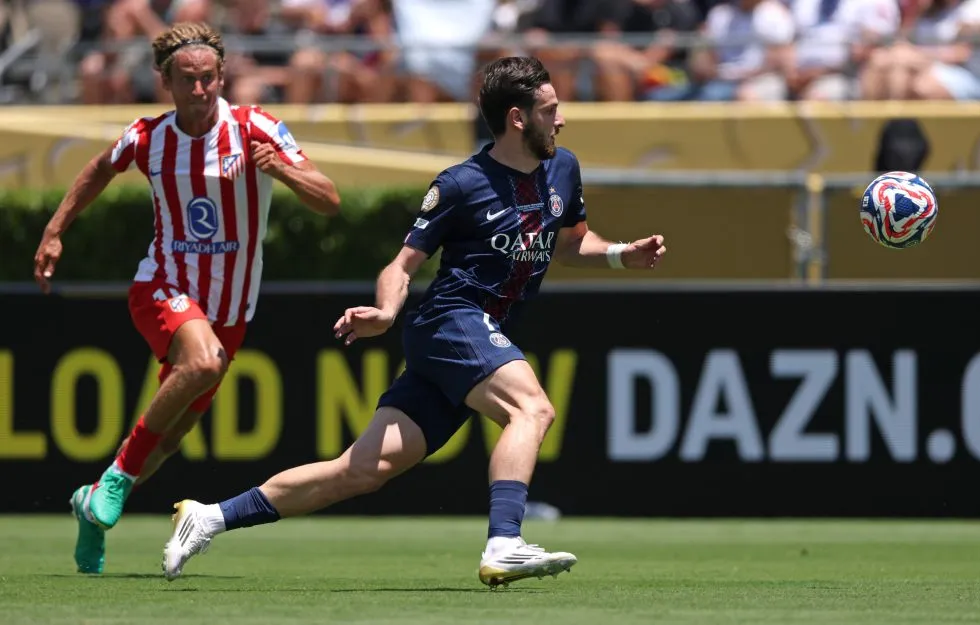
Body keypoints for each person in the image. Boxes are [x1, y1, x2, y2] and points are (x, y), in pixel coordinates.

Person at [160, 56, 667, 588]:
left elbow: (570, 243)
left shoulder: (562, 168)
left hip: (471, 338)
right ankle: (504, 543)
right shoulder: (461, 184)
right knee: (532, 408)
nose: (560, 120)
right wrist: (385, 312)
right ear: (517, 118)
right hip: (451, 321)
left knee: (360, 470)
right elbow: (401, 265)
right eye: (550, 110)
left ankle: (209, 517)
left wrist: (620, 255)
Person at [32, 21, 341, 576]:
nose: (199, 90)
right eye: (187, 80)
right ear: (166, 83)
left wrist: (282, 170)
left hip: (231, 310)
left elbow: (329, 198)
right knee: (203, 363)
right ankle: (116, 479)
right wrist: (55, 230)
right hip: (164, 285)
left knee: (170, 439)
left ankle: (91, 505)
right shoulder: (147, 137)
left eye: (208, 78)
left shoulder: (257, 127)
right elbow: (99, 168)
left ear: (222, 77)